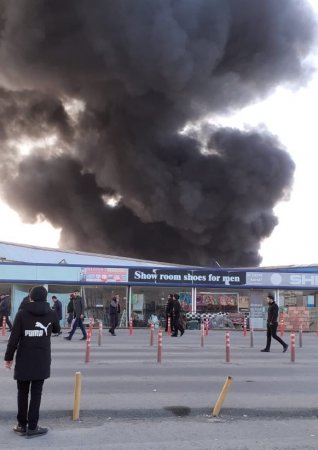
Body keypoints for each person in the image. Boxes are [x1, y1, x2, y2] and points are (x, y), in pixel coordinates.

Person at [4, 285, 60, 438]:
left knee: (22, 392)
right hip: (41, 359)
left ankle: (22, 425)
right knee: (36, 393)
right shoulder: (51, 313)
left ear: (31, 297)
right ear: (46, 298)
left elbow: (13, 339)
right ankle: (33, 427)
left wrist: (8, 358)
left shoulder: (22, 314)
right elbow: (57, 330)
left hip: (24, 359)